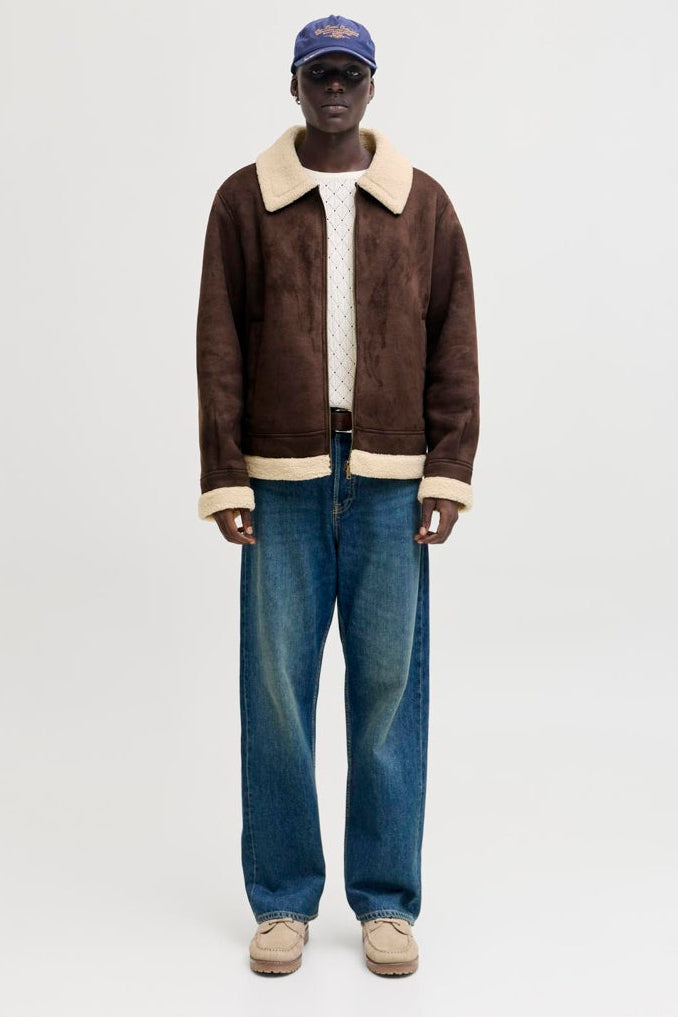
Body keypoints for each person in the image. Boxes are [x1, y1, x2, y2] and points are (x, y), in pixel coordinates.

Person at [195, 13, 480, 977]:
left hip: (393, 482)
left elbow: (454, 340)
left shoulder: (423, 205)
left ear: (370, 86)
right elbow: (219, 345)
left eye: (349, 73)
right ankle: (282, 898)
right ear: (293, 85)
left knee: (390, 690)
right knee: (277, 691)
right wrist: (224, 474)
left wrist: (448, 469)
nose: (333, 87)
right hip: (281, 481)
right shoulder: (245, 202)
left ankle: (386, 902)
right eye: (318, 73)